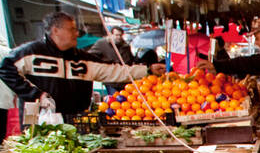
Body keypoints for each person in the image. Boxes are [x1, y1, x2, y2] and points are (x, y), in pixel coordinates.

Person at [0, 12, 166, 119]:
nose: (77, 33)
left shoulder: (82, 59)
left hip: (76, 122)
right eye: (72, 29)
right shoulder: (31, 52)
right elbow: (5, 68)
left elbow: (113, 70)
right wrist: (36, 95)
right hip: (40, 123)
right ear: (56, 30)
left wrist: (147, 70)